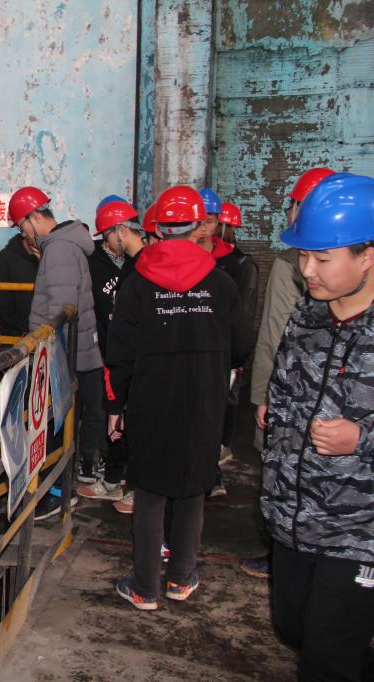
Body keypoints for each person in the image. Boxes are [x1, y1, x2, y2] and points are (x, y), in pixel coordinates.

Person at [107, 185, 250, 611]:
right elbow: (242, 347)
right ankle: (180, 579)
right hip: (204, 399)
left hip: (150, 400)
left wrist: (116, 408)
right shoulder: (221, 283)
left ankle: (145, 588)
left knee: (150, 492)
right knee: (193, 487)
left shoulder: (136, 285)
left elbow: (119, 355)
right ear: (198, 227)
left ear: (156, 228)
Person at [260, 172, 374, 680]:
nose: (307, 270)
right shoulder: (307, 314)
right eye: (303, 255)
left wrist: (362, 438)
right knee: (293, 626)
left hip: (359, 530)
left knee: (328, 656)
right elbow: (284, 392)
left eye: (322, 259)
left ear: (367, 255)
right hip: (292, 515)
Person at [241, 166, 334, 580]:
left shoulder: (289, 262)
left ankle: (284, 555)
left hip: (295, 398)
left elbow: (275, 336)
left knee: (285, 474)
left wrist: (263, 395)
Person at [10, 186, 104, 497]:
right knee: (62, 423)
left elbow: (61, 313)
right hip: (72, 352)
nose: (25, 234)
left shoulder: (59, 250)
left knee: (53, 425)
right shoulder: (62, 245)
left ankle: (56, 494)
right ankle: (60, 489)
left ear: (34, 217)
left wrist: (52, 361)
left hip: (59, 356)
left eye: (23, 227)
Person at [79, 198, 145, 507]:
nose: (108, 241)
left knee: (130, 419)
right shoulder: (114, 263)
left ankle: (134, 485)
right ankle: (115, 479)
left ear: (121, 230)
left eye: (109, 234)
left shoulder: (142, 265)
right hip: (113, 351)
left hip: (135, 354)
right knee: (114, 418)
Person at [210, 201, 259, 488]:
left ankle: (217, 459)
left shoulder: (241, 264)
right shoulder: (210, 260)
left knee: (225, 403)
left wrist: (239, 355)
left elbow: (245, 313)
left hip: (228, 350)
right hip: (213, 349)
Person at [0, 210, 40, 338]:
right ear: (24, 232)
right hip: (15, 336)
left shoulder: (47, 256)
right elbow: (2, 303)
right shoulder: (5, 258)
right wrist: (25, 330)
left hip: (43, 335)